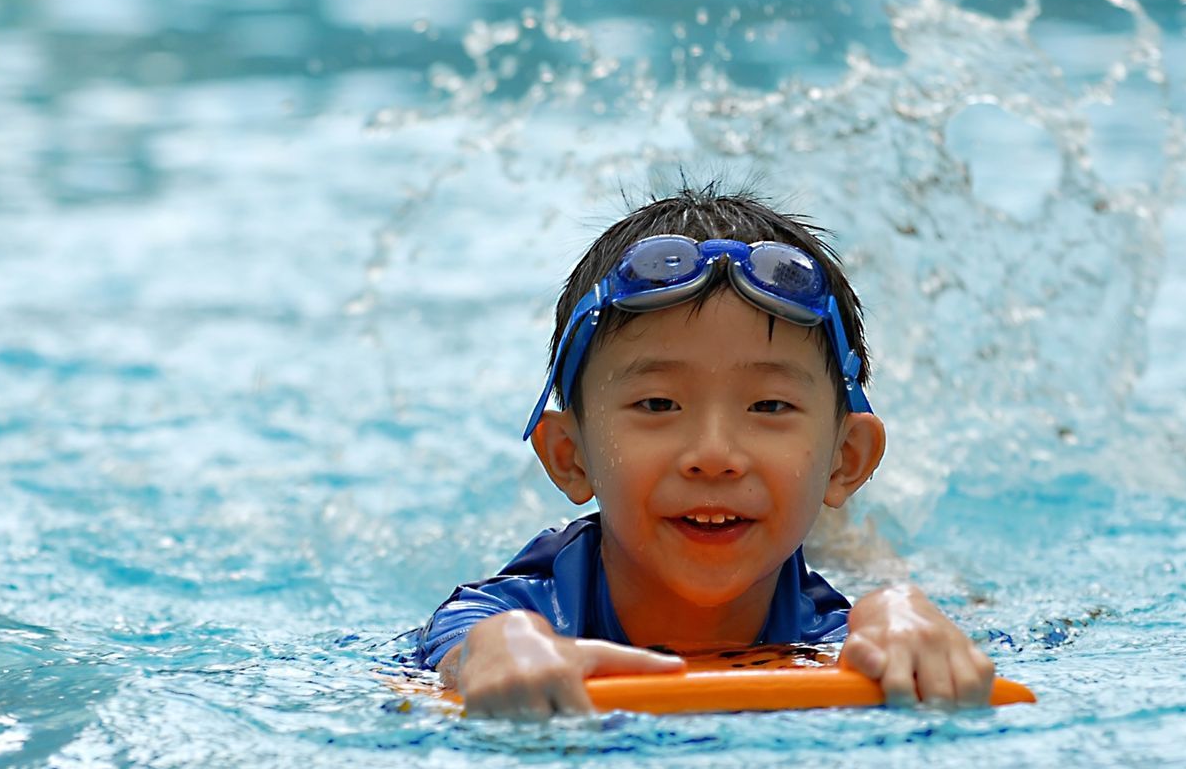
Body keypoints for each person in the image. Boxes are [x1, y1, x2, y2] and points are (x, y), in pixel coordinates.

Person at [415, 184, 996, 718]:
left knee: (876, 570)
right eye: (658, 405)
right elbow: (463, 640)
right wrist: (489, 651)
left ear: (847, 461)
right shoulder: (533, 607)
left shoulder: (831, 632)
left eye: (769, 407)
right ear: (570, 456)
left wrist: (900, 611)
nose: (715, 454)